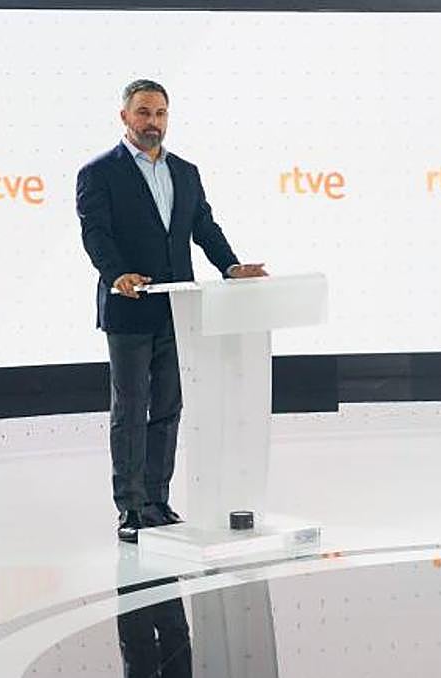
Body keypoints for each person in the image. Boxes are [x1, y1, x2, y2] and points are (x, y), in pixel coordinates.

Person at [76, 79, 267, 542]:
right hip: (129, 308)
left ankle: (157, 502)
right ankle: (130, 508)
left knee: (167, 408)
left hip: (178, 310)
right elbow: (96, 233)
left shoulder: (185, 171)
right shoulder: (99, 173)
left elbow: (204, 226)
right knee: (130, 409)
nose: (152, 122)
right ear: (125, 116)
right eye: (143, 112)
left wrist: (230, 266)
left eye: (160, 113)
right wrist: (116, 274)